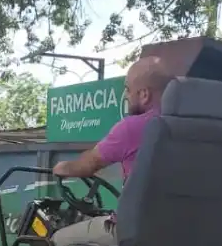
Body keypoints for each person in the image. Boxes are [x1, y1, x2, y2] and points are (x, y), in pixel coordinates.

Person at [52, 55, 171, 185]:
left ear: (144, 95)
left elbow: (88, 165)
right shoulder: (188, 127)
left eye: (128, 90)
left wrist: (62, 167)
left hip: (144, 199)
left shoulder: (133, 128)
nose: (126, 96)